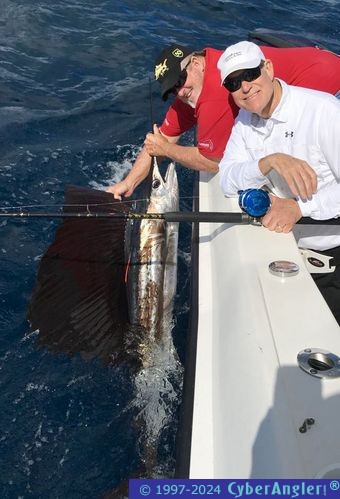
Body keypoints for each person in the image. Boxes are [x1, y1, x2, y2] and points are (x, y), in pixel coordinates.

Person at [107, 42, 340, 200]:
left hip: (331, 88)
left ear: (196, 64)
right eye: (173, 88)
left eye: (180, 80)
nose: (180, 91)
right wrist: (129, 182)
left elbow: (213, 162)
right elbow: (160, 140)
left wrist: (167, 150)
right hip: (321, 59)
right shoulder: (193, 87)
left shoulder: (216, 95)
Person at [218, 40, 340, 323]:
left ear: (268, 68)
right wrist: (268, 161)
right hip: (286, 253)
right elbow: (226, 178)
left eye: (250, 74)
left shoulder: (323, 111)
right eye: (234, 83)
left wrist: (299, 209)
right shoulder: (245, 120)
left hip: (332, 262)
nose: (245, 87)